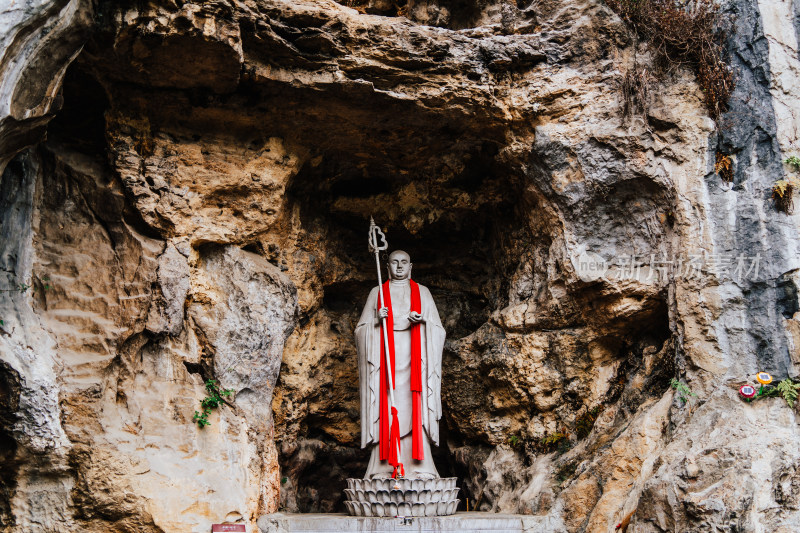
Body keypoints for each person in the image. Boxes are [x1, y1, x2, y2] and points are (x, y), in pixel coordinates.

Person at [355, 250, 446, 479]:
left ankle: (420, 467)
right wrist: (376, 321)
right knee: (386, 406)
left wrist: (424, 321)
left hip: (416, 358)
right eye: (394, 262)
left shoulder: (422, 292)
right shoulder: (377, 292)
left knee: (418, 405)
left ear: (411, 266)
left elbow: (439, 330)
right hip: (384, 358)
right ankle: (383, 467)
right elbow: (359, 331)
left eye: (403, 262)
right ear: (387, 268)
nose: (398, 267)